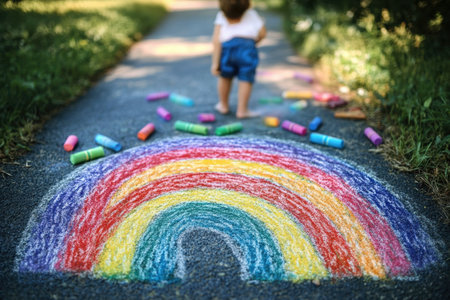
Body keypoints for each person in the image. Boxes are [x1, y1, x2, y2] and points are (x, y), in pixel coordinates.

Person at [211, 0, 266, 118]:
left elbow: (216, 40)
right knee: (246, 78)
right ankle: (242, 110)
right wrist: (255, 41)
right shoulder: (251, 14)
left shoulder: (221, 15)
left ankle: (223, 105)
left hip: (227, 49)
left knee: (225, 76)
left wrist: (215, 63)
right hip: (247, 49)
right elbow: (263, 33)